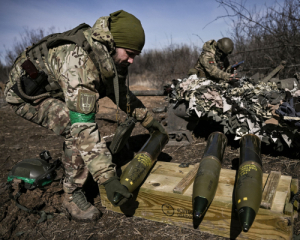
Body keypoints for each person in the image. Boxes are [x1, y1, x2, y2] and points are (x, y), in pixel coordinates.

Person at [4, 10, 167, 222]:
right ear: (112, 43)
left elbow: (121, 94)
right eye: (129, 53)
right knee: (76, 130)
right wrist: (108, 179)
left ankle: (81, 172)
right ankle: (71, 195)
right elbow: (83, 127)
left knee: (81, 128)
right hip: (26, 96)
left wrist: (149, 121)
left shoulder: (107, 58)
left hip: (54, 89)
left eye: (136, 55)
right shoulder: (79, 62)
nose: (132, 60)